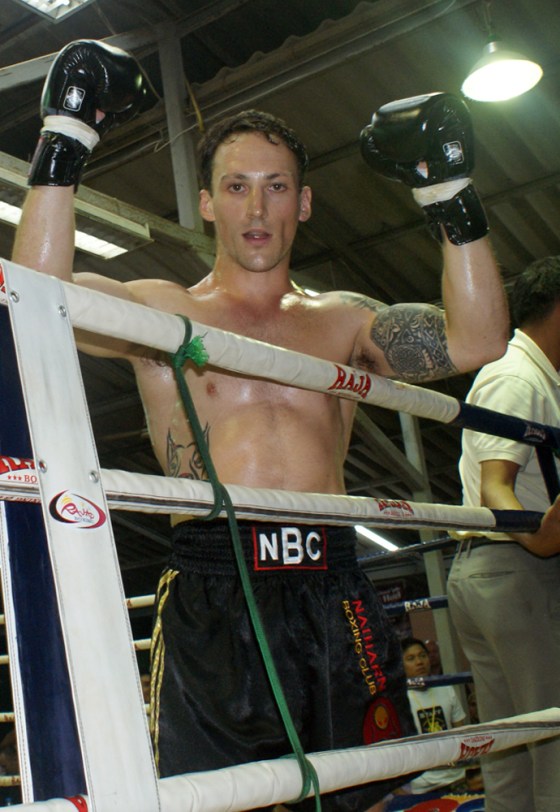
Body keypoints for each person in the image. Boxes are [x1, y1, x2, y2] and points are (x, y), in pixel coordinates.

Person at [10, 40, 508, 812]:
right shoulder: (163, 311)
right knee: (219, 804)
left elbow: (477, 343)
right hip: (216, 585)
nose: (257, 207)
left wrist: (449, 187)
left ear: (303, 203)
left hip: (333, 579)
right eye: (236, 187)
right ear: (207, 203)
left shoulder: (343, 320)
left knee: (360, 798)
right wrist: (66, 136)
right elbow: (34, 300)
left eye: (277, 188)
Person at [447, 256, 560, 811]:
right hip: (518, 567)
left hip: (491, 570)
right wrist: (540, 539)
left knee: (511, 747)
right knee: (553, 738)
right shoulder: (518, 377)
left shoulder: (530, 376)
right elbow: (497, 488)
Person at [401, 638, 467, 795]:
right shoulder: (399, 700)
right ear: (401, 665)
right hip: (420, 786)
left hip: (456, 778)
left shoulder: (446, 687)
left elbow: (462, 733)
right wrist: (398, 790)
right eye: (411, 658)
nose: (419, 662)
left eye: (422, 655)